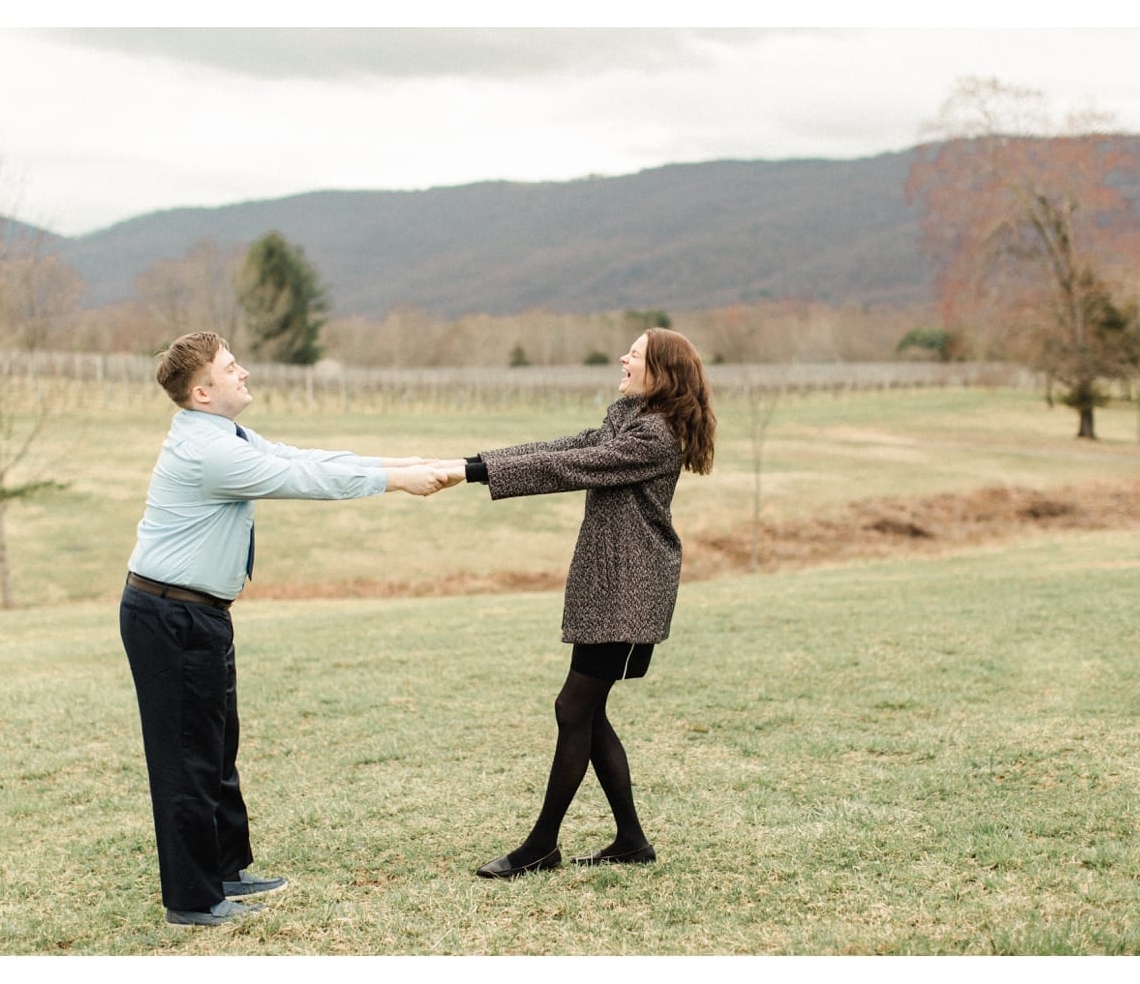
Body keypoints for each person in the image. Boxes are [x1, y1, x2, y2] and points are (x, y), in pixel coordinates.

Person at [120, 331, 446, 926]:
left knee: (216, 748)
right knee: (186, 760)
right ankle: (193, 901)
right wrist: (395, 483)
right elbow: (303, 482)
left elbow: (303, 458)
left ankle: (224, 869)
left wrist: (404, 464)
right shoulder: (211, 452)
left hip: (198, 612)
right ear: (202, 391)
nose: (243, 372)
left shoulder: (224, 434)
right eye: (229, 367)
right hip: (171, 615)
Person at [436, 328, 716, 877]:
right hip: (609, 587)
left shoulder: (653, 436)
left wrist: (470, 473)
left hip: (631, 591)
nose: (622, 358)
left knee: (574, 709)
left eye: (633, 354)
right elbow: (563, 447)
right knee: (588, 711)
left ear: (661, 371)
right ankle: (631, 841)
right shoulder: (629, 420)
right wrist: (471, 463)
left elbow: (569, 467)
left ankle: (541, 845)